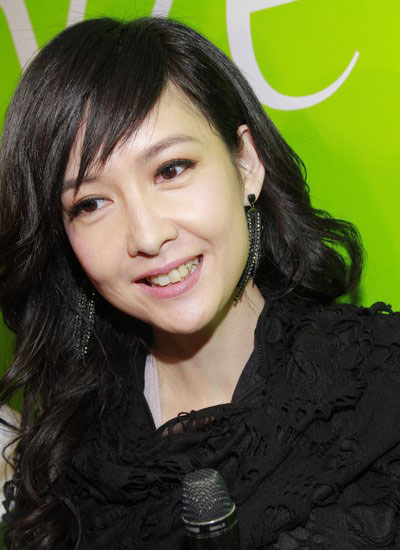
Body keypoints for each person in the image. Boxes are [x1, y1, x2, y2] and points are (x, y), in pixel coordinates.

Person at [0, 15, 399, 550]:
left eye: (171, 169)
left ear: (246, 163)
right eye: (91, 203)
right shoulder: (66, 451)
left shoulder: (381, 384)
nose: (147, 235)